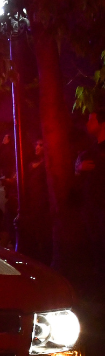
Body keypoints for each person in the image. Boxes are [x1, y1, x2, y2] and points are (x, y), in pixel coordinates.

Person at [76, 109, 105, 296]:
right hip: (93, 208)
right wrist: (78, 169)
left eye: (91, 119)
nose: (87, 124)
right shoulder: (91, 150)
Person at [18, 139, 52, 264]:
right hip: (31, 204)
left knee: (42, 236)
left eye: (41, 145)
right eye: (36, 144)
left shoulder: (47, 165)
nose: (37, 147)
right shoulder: (30, 164)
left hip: (42, 205)